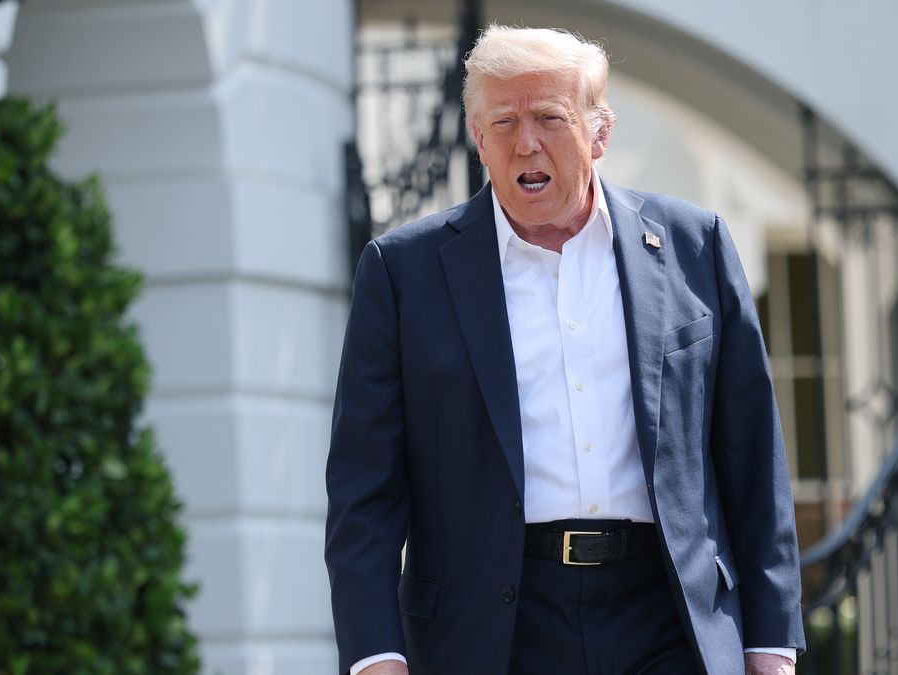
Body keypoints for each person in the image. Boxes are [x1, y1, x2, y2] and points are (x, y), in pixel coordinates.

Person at [325, 24, 806, 675]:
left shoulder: (696, 246)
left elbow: (752, 456)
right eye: (504, 121)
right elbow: (365, 487)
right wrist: (375, 653)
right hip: (493, 625)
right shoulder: (402, 273)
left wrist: (771, 640)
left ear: (599, 132)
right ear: (477, 138)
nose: (526, 142)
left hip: (669, 611)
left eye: (550, 117)